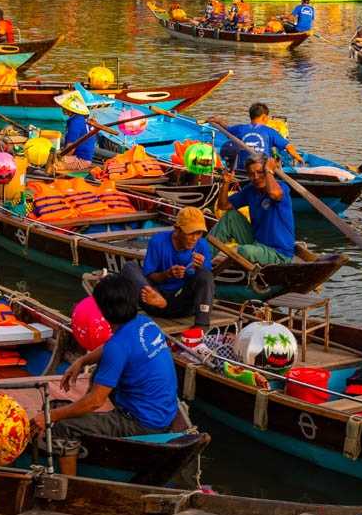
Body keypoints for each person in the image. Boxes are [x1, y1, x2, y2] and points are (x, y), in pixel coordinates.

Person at [44, 271, 189, 477]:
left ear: (102, 310)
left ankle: (70, 483)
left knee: (63, 427)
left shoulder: (117, 346)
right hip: (164, 412)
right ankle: (88, 420)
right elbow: (115, 347)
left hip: (143, 424)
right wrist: (82, 360)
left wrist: (50, 417)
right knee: (100, 374)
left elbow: (95, 401)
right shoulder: (146, 323)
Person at [133, 205, 215, 328]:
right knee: (130, 267)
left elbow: (206, 281)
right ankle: (161, 301)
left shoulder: (202, 245)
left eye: (198, 233)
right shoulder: (158, 241)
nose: (194, 238)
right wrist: (167, 274)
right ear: (177, 229)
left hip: (184, 304)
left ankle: (201, 326)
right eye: (190, 233)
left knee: (205, 274)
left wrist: (201, 267)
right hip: (156, 301)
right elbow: (150, 276)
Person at [211, 154, 295, 265]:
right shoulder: (251, 190)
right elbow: (223, 206)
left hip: (279, 253)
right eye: (251, 174)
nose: (255, 177)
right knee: (230, 217)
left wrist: (269, 170)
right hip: (257, 244)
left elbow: (274, 194)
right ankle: (203, 257)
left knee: (245, 251)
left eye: (260, 172)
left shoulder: (281, 188)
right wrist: (226, 183)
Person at [219, 101, 301, 170]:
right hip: (262, 169)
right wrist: (299, 159)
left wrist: (217, 121)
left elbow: (227, 128)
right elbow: (288, 147)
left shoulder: (239, 129)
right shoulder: (269, 131)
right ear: (265, 117)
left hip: (243, 169)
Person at [54, 91, 98, 163]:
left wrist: (60, 159)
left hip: (80, 159)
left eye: (63, 107)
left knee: (52, 162)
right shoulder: (82, 118)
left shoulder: (75, 122)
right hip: (86, 157)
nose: (62, 108)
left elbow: (71, 147)